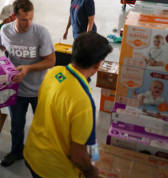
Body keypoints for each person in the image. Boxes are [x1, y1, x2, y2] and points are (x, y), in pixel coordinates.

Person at [24, 32, 113, 178]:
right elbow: (79, 158)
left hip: (32, 153)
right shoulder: (84, 102)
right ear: (97, 65)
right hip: (55, 170)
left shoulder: (53, 72)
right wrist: (91, 171)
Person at [0, 0, 56, 167]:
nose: (28, 23)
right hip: (16, 89)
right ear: (14, 16)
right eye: (23, 19)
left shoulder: (40, 33)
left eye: (31, 18)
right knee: (16, 125)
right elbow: (0, 50)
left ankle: (43, 154)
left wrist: (28, 68)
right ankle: (16, 152)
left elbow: (51, 61)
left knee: (43, 127)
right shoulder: (5, 30)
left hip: (40, 90)